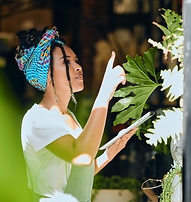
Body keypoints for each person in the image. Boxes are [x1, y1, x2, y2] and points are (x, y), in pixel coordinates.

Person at [15, 27, 138, 202]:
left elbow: (75, 174)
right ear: (48, 74)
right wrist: (104, 94)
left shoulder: (69, 116)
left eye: (76, 61)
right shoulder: (37, 119)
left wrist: (107, 155)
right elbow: (81, 155)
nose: (78, 67)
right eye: (66, 62)